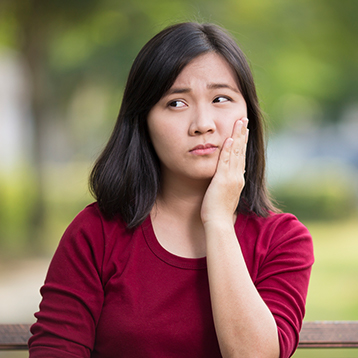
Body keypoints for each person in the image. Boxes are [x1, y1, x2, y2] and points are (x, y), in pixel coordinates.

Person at [28, 22, 314, 358]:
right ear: (143, 120)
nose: (203, 124)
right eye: (176, 103)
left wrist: (219, 221)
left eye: (221, 98)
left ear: (247, 115)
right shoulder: (96, 233)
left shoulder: (283, 241)